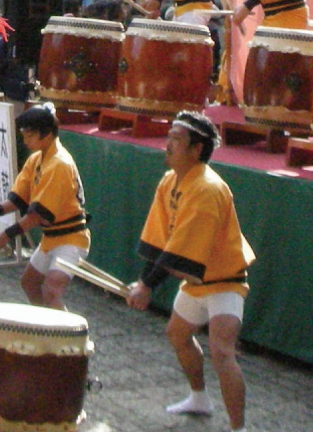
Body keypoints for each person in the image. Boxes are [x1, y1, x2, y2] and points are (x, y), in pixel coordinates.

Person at [126, 112, 255, 432]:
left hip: (225, 280)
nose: (167, 144)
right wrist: (143, 281)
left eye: (176, 139)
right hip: (196, 280)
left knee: (222, 352)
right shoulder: (169, 181)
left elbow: (181, 254)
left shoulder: (207, 188)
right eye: (168, 136)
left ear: (197, 149)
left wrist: (146, 285)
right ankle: (199, 398)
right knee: (177, 334)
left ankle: (238, 428)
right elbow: (160, 243)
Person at [0, 104, 88, 311]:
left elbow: (36, 215)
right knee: (29, 282)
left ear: (46, 134)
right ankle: (45, 326)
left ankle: (67, 338)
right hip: (51, 238)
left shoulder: (60, 164)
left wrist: (6, 235)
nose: (25, 141)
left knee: (52, 290)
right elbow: (18, 200)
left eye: (29, 135)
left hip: (71, 239)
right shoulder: (36, 159)